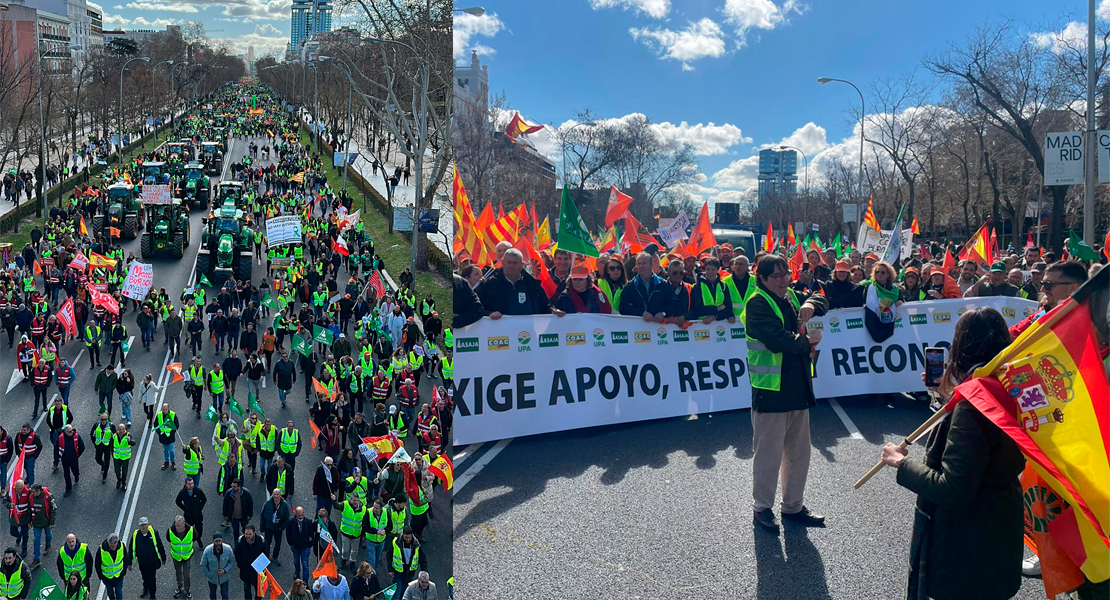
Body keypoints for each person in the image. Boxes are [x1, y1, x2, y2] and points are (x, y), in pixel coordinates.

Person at [881, 308, 1025, 600]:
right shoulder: (1012, 385)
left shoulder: (974, 405)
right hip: (1000, 527)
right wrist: (948, 394)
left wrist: (901, 463)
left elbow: (953, 488)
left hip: (969, 544)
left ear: (961, 346)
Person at [745, 255, 828, 533]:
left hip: (797, 386)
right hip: (771, 391)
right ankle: (762, 508)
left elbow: (822, 297)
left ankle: (793, 506)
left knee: (798, 452)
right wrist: (808, 341)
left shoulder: (791, 294)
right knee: (768, 454)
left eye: (785, 274)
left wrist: (809, 303)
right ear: (763, 279)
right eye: (776, 276)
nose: (783, 281)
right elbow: (778, 340)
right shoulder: (757, 302)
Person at [475, 249, 552, 317]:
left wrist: (553, 311)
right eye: (509, 262)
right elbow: (476, 308)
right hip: (500, 332)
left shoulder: (532, 285)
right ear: (503, 263)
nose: (511, 266)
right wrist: (489, 313)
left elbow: (545, 306)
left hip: (528, 331)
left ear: (522, 265)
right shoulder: (488, 285)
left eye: (515, 263)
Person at [619, 253, 669, 321]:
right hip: (637, 328)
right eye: (639, 263)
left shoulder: (663, 284)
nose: (641, 266)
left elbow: (673, 304)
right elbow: (623, 307)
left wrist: (663, 313)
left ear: (651, 264)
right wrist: (641, 313)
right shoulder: (630, 286)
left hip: (659, 327)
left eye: (644, 263)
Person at [129, 517, 166, 599]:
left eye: (145, 524)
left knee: (152, 578)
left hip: (152, 561)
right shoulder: (135, 535)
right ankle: (146, 589)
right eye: (142, 525)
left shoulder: (153, 532)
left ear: (148, 524)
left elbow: (159, 545)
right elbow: (131, 548)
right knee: (144, 577)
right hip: (142, 562)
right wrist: (129, 562)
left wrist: (163, 557)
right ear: (139, 526)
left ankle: (152, 595)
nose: (143, 527)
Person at [387, 527, 425, 598]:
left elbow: (422, 559)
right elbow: (389, 555)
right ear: (402, 534)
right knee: (397, 591)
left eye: (409, 537)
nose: (408, 539)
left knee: (405, 591)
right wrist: (390, 569)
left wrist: (424, 571)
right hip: (398, 571)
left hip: (409, 572)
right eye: (406, 537)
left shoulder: (416, 545)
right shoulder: (396, 542)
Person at [166, 516, 196, 600]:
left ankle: (187, 590)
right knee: (178, 572)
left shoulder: (191, 530)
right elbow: (168, 539)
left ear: (184, 524)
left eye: (179, 526)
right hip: (176, 556)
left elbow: (195, 537)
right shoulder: (170, 531)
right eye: (176, 525)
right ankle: (179, 586)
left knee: (186, 574)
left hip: (187, 556)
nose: (177, 528)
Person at [29, 484, 57, 570]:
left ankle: (48, 545)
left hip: (46, 521)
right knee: (36, 540)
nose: (32, 493)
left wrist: (52, 522)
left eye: (34, 492)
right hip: (36, 523)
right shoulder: (31, 497)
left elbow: (53, 509)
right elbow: (29, 509)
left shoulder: (48, 496)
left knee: (48, 534)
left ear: (39, 491)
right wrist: (29, 521)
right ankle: (36, 558)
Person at [259, 488, 290, 568]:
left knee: (278, 543)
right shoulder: (268, 503)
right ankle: (266, 557)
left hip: (278, 528)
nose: (276, 496)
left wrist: (282, 527)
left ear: (280, 495)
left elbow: (287, 517)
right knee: (267, 543)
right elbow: (263, 515)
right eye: (274, 494)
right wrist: (262, 527)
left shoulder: (284, 504)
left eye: (277, 494)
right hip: (268, 527)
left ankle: (275, 557)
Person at [233, 525, 265, 600]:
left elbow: (265, 554)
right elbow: (237, 554)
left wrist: (260, 567)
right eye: (246, 534)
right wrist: (241, 566)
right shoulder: (240, 540)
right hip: (246, 570)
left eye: (249, 534)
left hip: (258, 571)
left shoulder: (261, 540)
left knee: (259, 590)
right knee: (247, 589)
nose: (247, 536)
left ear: (254, 533)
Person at [200, 532, 235, 600]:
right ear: (213, 542)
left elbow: (232, 561)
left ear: (222, 541)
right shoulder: (207, 551)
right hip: (212, 579)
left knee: (225, 595)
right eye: (216, 541)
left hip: (224, 578)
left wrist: (225, 570)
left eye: (219, 541)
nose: (218, 543)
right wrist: (209, 575)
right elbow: (203, 564)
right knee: (212, 595)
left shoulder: (228, 549)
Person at [94, 532, 130, 600]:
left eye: (114, 545)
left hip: (118, 576)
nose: (113, 547)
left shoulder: (121, 546)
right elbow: (97, 564)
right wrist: (101, 576)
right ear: (108, 543)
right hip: (107, 578)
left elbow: (125, 559)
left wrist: (123, 572)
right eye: (111, 546)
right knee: (110, 594)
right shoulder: (101, 550)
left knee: (119, 594)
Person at [285, 507, 314, 583]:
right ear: (295, 514)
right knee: (296, 561)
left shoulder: (308, 522)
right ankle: (297, 572)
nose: (301, 517)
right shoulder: (291, 522)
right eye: (299, 515)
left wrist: (309, 545)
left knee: (305, 565)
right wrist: (290, 543)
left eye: (302, 515)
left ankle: (305, 582)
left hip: (305, 548)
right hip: (295, 547)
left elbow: (312, 534)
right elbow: (288, 533)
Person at [175, 478, 208, 544]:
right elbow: (177, 501)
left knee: (199, 529)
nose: (191, 485)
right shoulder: (182, 492)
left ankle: (198, 539)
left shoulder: (198, 491)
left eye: (192, 483)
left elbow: (204, 499)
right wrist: (185, 509)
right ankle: (190, 542)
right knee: (188, 530)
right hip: (188, 516)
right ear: (186, 484)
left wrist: (199, 509)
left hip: (197, 515)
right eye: (189, 484)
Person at [56, 425, 84, 497]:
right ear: (65, 432)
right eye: (70, 431)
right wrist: (58, 458)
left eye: (72, 430)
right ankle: (68, 488)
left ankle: (76, 476)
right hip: (65, 459)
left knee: (75, 470)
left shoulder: (76, 436)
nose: (72, 432)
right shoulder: (60, 438)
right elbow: (56, 448)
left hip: (74, 458)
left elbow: (82, 447)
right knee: (66, 474)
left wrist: (77, 455)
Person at [154, 403, 179, 471]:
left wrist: (172, 433)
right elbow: (155, 424)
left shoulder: (172, 414)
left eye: (166, 409)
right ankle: (166, 462)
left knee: (171, 451)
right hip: (162, 436)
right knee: (165, 450)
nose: (164, 411)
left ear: (168, 409)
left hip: (170, 436)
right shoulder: (159, 415)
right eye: (163, 409)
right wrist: (159, 432)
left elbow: (176, 425)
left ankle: (173, 462)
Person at [111, 423, 135, 490]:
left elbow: (133, 443)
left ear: (125, 429)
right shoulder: (114, 436)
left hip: (125, 458)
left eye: (122, 429)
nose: (121, 430)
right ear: (118, 429)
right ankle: (119, 480)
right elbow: (111, 445)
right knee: (117, 471)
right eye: (120, 429)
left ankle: (124, 483)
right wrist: (112, 454)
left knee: (124, 472)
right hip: (116, 457)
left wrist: (129, 441)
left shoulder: (128, 435)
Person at [90, 414, 113, 484]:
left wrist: (111, 446)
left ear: (107, 420)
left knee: (107, 461)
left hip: (107, 447)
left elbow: (114, 436)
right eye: (102, 420)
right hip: (99, 446)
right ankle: (103, 465)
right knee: (97, 459)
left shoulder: (111, 426)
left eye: (105, 419)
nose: (104, 421)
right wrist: (94, 443)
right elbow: (92, 434)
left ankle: (104, 476)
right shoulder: (96, 425)